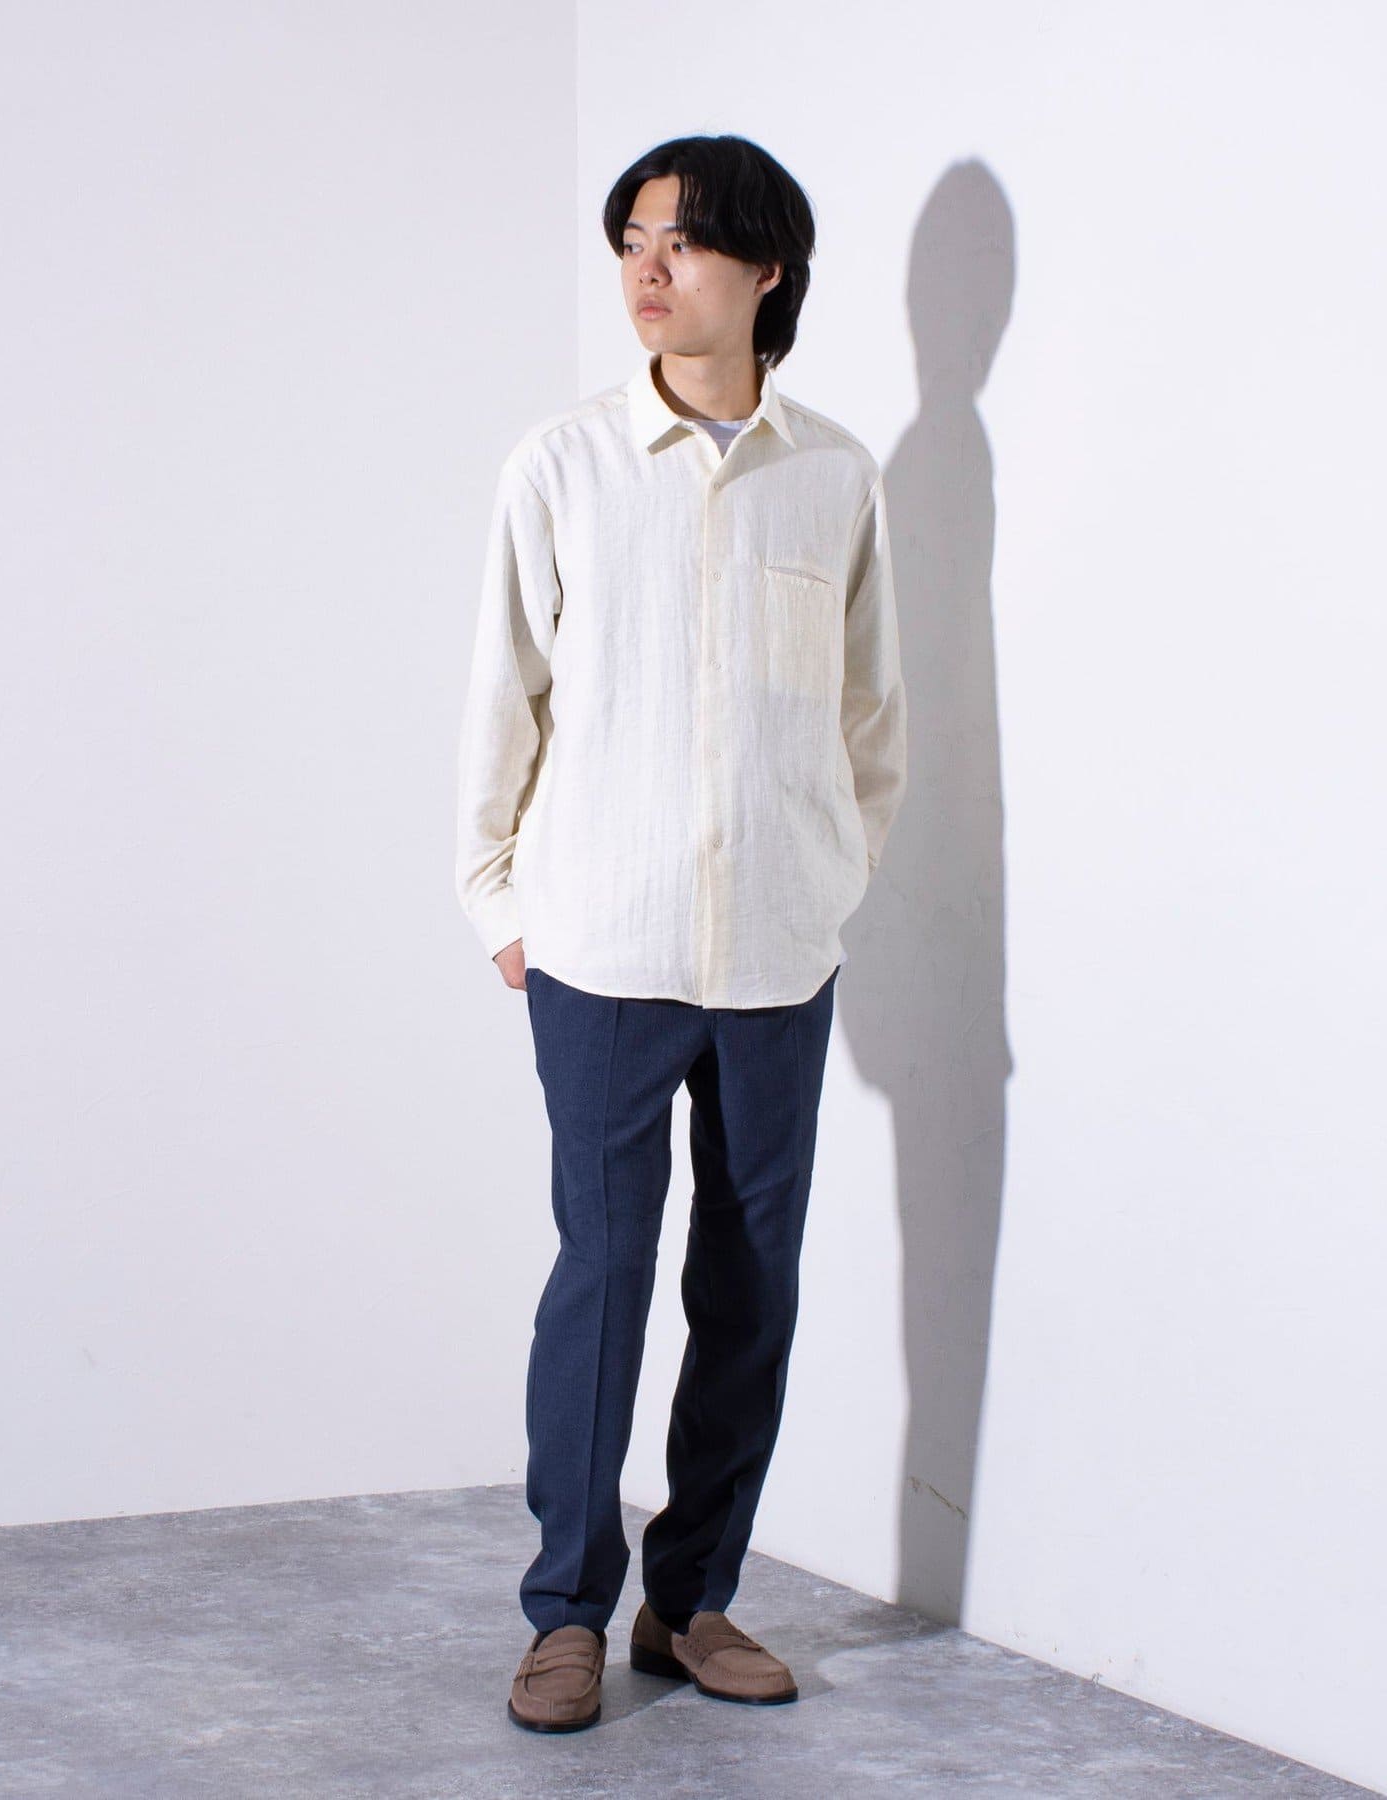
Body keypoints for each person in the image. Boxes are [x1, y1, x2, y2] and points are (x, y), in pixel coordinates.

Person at [454, 132, 908, 1734]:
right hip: (600, 950)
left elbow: (872, 720)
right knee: (604, 1276)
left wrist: (829, 883)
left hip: (780, 956)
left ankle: (692, 1598)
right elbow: (502, 696)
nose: (649, 271)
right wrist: (501, 903)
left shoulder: (835, 474)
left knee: (753, 1283)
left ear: (766, 269)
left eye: (685, 242)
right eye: (633, 240)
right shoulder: (562, 466)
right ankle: (565, 1613)